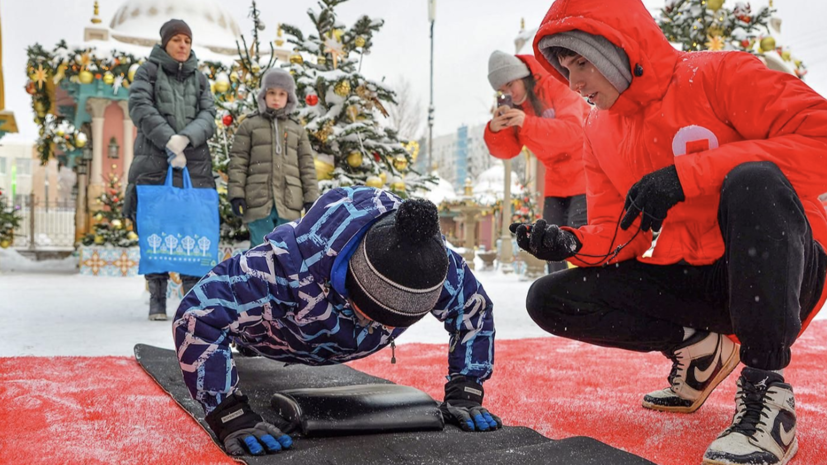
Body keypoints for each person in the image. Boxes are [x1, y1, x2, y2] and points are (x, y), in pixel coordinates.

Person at [512, 1, 827, 464]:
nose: (574, 83)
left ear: (617, 49)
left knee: (753, 178)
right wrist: (573, 242)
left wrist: (689, 174)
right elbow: (621, 233)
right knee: (549, 298)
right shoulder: (598, 132)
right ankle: (700, 349)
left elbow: (820, 139)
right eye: (564, 68)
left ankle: (767, 398)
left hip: (785, 270)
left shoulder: (720, 73)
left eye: (581, 62)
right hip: (702, 277)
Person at [174, 187, 502, 456]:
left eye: (397, 324)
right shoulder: (276, 271)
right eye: (374, 315)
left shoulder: (435, 264)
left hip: (325, 331)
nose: (384, 329)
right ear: (351, 283)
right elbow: (196, 316)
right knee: (234, 321)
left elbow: (473, 312)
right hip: (270, 334)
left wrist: (466, 388)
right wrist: (227, 412)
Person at [123, 19, 217, 321]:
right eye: (176, 39)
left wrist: (186, 138)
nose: (182, 45)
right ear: (165, 43)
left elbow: (209, 115)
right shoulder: (148, 71)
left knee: (194, 226)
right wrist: (168, 140)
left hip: (195, 164)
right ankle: (157, 299)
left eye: (187, 40)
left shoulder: (200, 79)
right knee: (156, 226)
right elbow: (139, 106)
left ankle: (190, 300)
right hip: (153, 162)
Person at [484, 50, 590, 273]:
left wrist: (527, 122)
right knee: (550, 245)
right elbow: (508, 151)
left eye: (510, 84)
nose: (508, 92)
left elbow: (574, 132)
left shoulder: (556, 84)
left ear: (523, 76)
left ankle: (587, 297)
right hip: (555, 181)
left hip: (586, 173)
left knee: (580, 241)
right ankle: (559, 299)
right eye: (501, 90)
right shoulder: (516, 108)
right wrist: (495, 129)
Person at [228, 68, 319, 247]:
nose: (276, 98)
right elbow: (238, 162)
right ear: (263, 94)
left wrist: (311, 199)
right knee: (260, 251)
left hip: (289, 202)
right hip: (258, 201)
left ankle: (283, 277)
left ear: (289, 97)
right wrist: (236, 195)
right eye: (271, 93)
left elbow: (307, 166)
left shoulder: (297, 129)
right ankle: (259, 276)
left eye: (281, 94)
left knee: (286, 252)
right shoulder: (249, 125)